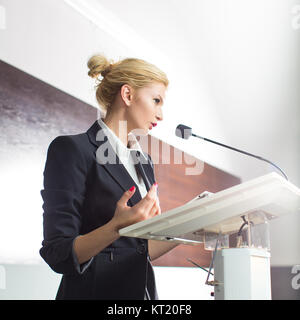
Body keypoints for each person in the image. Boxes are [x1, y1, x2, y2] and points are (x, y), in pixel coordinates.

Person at [40, 54, 179, 300]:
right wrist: (115, 228)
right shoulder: (72, 150)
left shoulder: (144, 162)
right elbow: (57, 252)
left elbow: (140, 249)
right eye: (156, 100)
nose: (161, 115)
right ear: (127, 95)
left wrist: (192, 227)